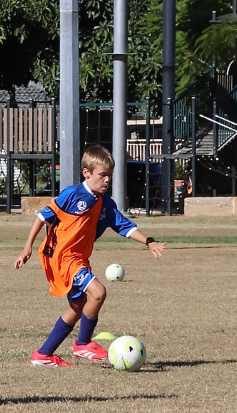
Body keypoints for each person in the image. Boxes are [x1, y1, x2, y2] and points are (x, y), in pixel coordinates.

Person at [14, 143, 164, 366]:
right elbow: (42, 217)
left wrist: (149, 242)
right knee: (98, 292)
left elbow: (124, 226)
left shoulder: (105, 203)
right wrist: (27, 247)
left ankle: (43, 355)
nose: (106, 180)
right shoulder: (73, 194)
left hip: (78, 258)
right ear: (87, 173)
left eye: (109, 176)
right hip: (64, 257)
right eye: (102, 175)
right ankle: (83, 344)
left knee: (77, 308)